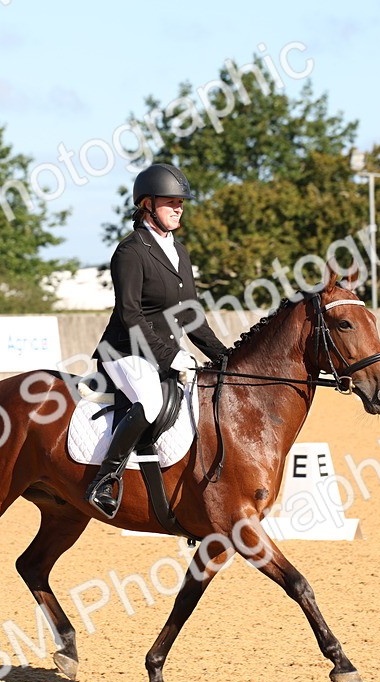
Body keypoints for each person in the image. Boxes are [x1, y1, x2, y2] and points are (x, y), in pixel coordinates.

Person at [84, 163, 230, 519]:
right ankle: (105, 479)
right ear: (147, 204)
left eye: (181, 202)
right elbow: (130, 315)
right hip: (124, 350)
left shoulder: (179, 252)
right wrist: (169, 357)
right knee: (149, 402)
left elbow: (190, 316)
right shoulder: (131, 252)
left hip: (162, 353)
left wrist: (226, 356)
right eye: (170, 202)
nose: (178, 208)